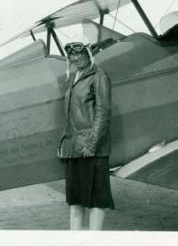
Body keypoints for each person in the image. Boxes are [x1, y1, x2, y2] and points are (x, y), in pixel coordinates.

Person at [57, 40, 115, 230]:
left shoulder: (99, 75)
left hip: (91, 149)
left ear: (88, 53)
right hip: (74, 149)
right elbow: (71, 115)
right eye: (71, 55)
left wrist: (92, 144)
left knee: (96, 201)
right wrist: (64, 143)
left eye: (79, 53)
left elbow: (103, 112)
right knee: (76, 202)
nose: (75, 58)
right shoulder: (74, 77)